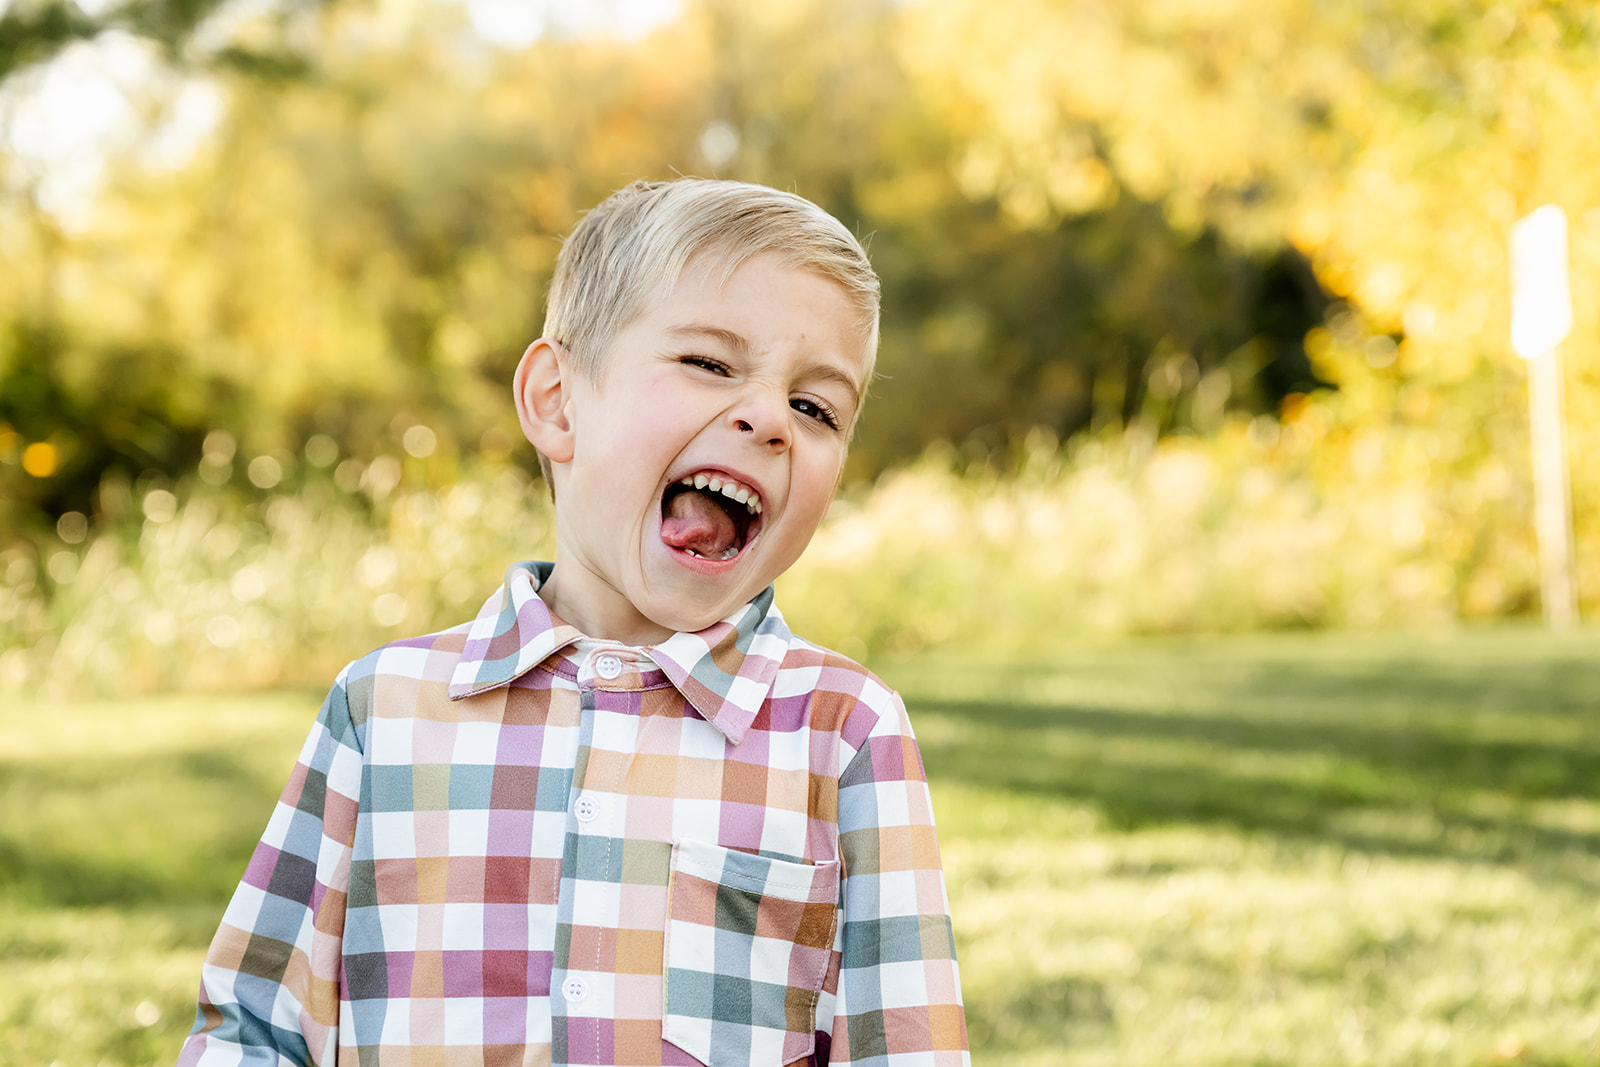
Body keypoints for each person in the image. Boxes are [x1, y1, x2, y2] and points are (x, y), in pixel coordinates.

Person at [177, 178, 969, 1066]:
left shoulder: (841, 730)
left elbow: (908, 1049)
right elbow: (252, 1025)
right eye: (711, 363)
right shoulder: (385, 711)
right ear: (558, 401)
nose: (770, 418)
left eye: (817, 407)